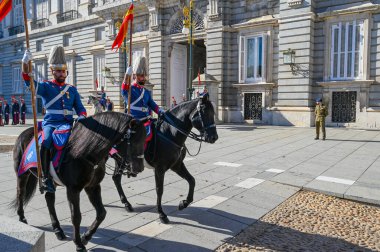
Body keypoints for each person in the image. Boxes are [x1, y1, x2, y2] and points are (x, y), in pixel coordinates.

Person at [22, 46, 87, 193]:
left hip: (68, 123)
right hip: (51, 123)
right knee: (46, 142)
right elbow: (29, 83)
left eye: (63, 71)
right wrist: (25, 65)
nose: (61, 73)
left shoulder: (72, 89)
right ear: (53, 71)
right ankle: (46, 177)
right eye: (58, 71)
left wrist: (82, 115)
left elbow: (80, 107)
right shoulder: (46, 86)